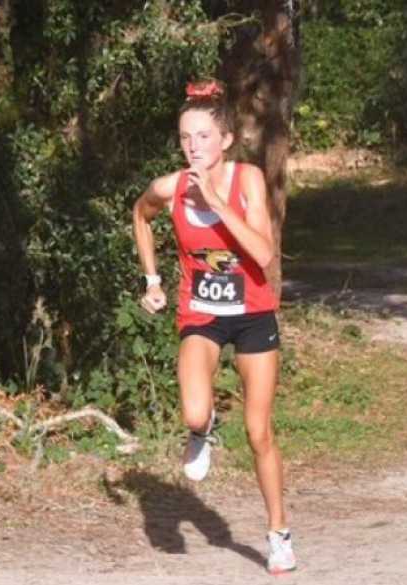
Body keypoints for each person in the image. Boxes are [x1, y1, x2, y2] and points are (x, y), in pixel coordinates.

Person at [132, 79, 296, 575]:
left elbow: (265, 254)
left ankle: (278, 533)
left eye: (203, 137)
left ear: (225, 140)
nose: (193, 146)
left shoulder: (245, 180)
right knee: (194, 412)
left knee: (259, 430)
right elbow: (140, 215)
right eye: (185, 137)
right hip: (201, 313)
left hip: (252, 315)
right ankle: (203, 431)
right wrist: (153, 279)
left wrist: (218, 204)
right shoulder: (172, 187)